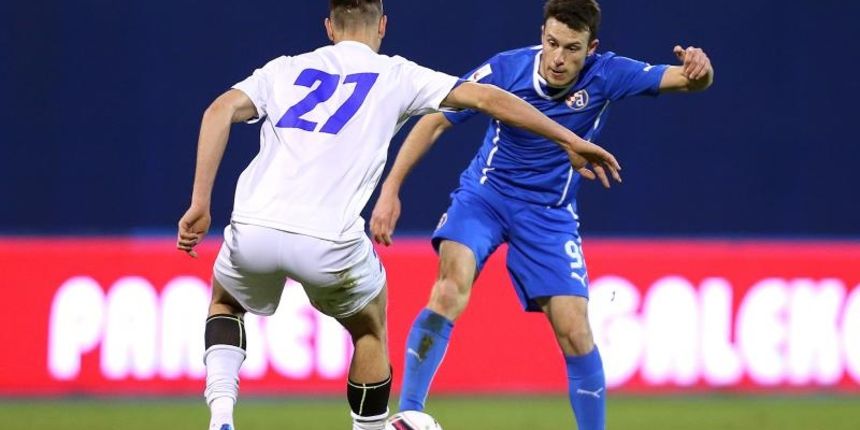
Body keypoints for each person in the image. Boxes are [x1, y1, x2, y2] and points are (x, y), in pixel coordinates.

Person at [176, 1, 622, 429]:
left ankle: (221, 415)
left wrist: (200, 204)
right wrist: (568, 138)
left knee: (226, 301)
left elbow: (218, 111)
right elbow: (487, 99)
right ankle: (378, 425)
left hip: (253, 226)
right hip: (328, 241)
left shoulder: (282, 68)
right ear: (383, 26)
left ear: (329, 28)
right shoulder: (396, 74)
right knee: (370, 329)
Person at [369, 0, 714, 429]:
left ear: (592, 49)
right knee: (449, 285)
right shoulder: (505, 70)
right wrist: (391, 188)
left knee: (575, 330)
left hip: (549, 214)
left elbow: (687, 81)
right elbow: (435, 120)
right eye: (551, 43)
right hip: (486, 197)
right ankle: (410, 414)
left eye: (572, 48)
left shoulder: (608, 74)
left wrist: (701, 70)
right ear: (541, 35)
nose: (558, 58)